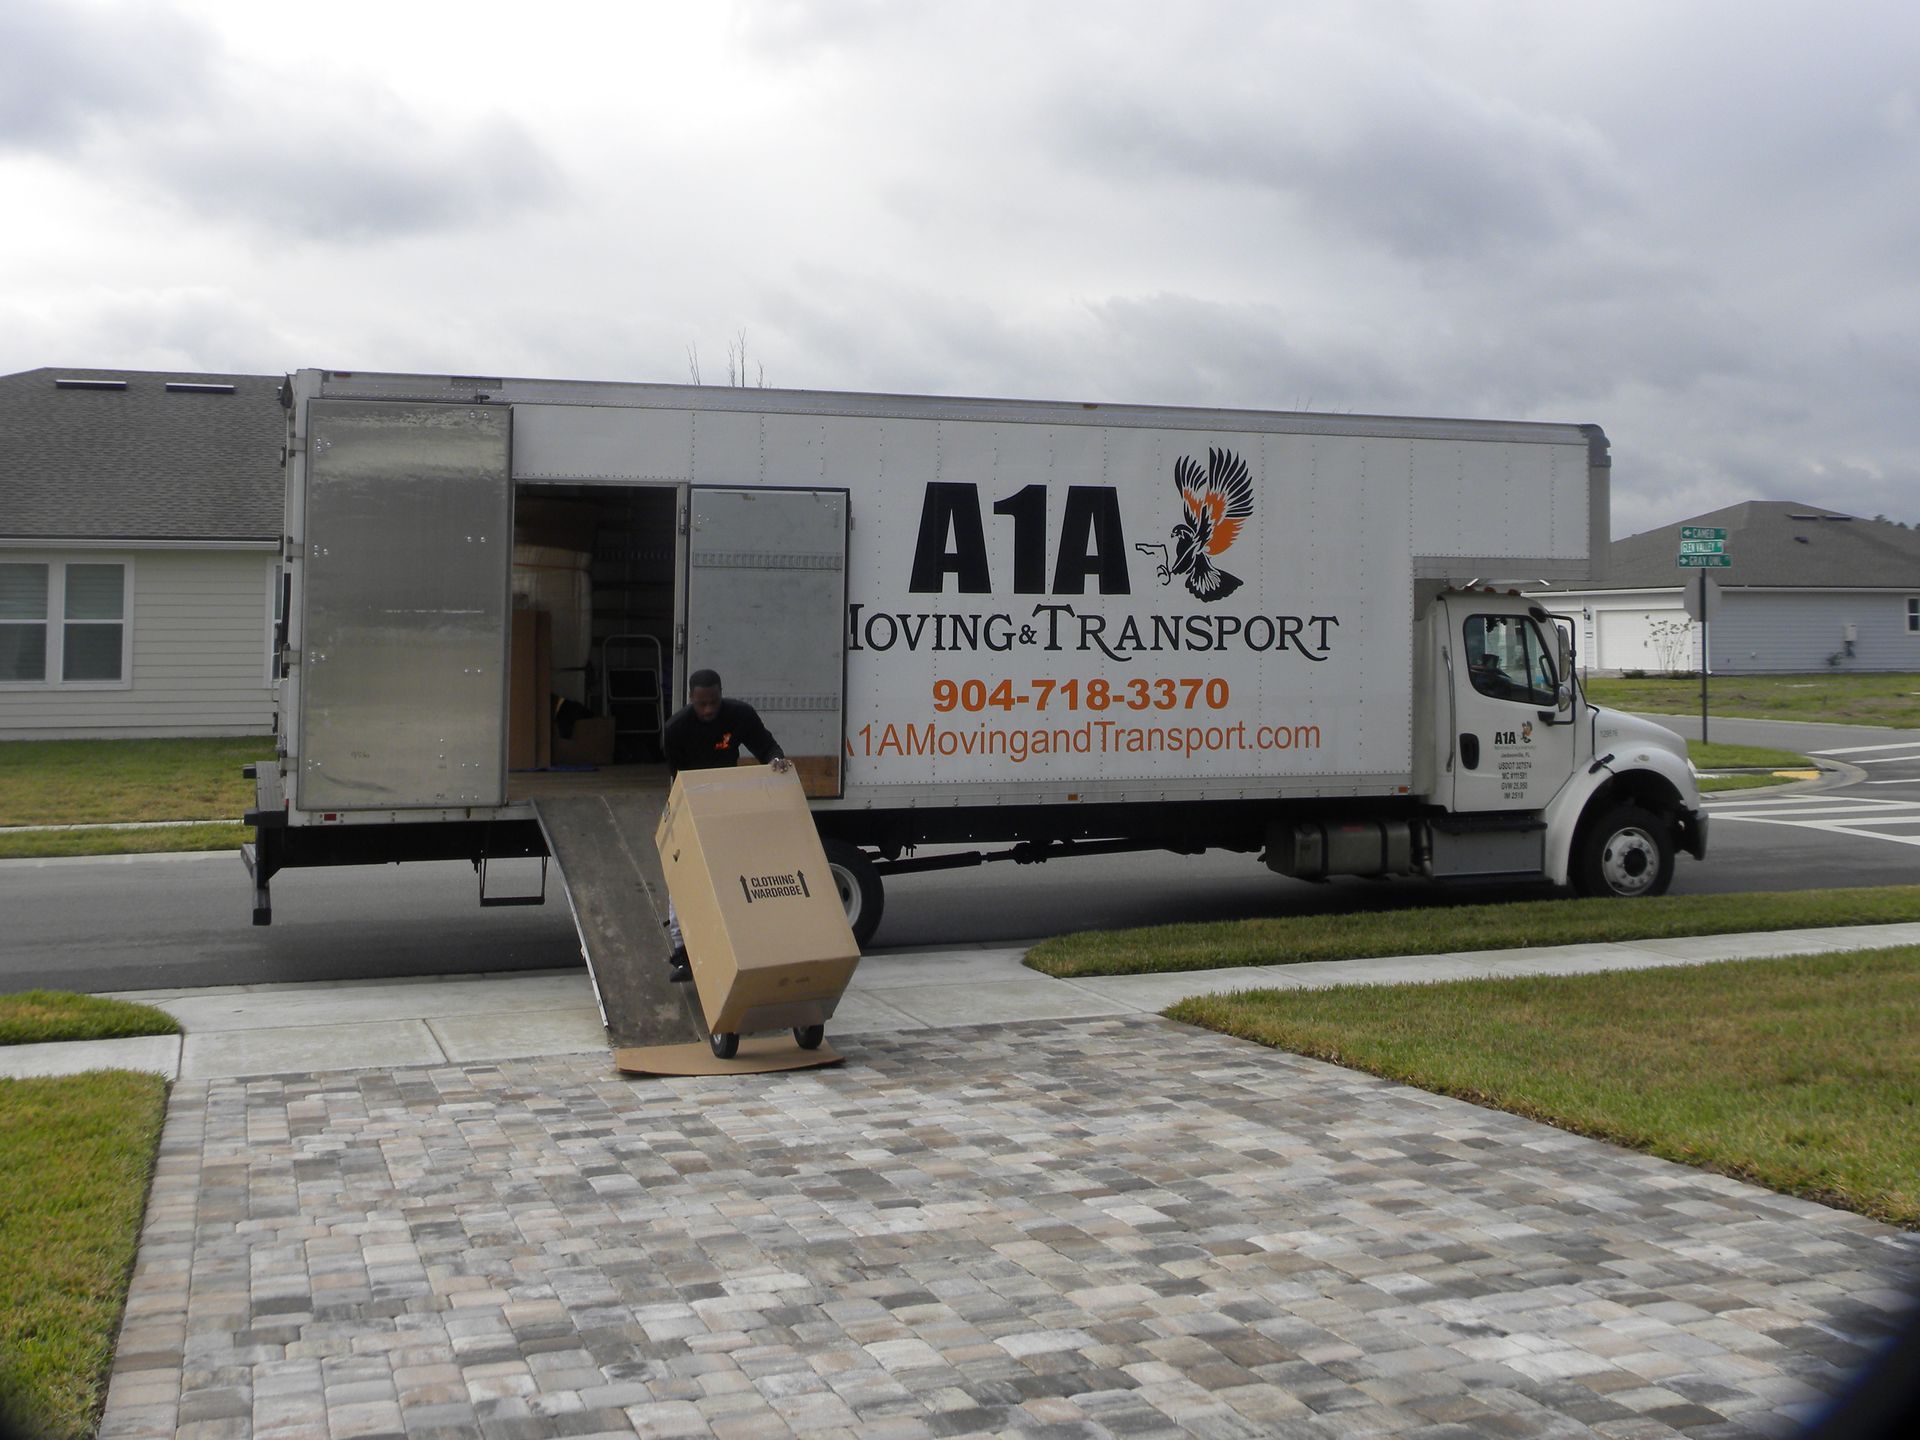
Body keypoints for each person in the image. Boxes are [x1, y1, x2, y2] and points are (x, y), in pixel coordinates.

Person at [660, 668, 790, 982]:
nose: (708, 710)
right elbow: (675, 776)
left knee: (729, 873)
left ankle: (739, 940)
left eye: (714, 702)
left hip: (725, 798)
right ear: (691, 699)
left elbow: (766, 746)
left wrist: (776, 761)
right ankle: (683, 951)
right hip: (690, 798)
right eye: (702, 704)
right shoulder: (676, 728)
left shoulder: (739, 715)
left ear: (721, 695)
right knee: (684, 873)